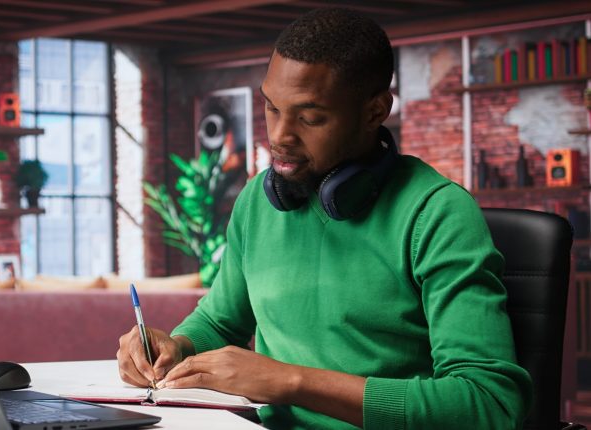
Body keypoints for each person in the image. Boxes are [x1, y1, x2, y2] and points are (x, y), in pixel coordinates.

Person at [117, 8, 532, 429]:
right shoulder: (257, 203)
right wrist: (176, 345)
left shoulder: (438, 213)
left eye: (310, 117)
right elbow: (219, 321)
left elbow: (488, 403)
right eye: (272, 108)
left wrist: (292, 382)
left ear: (375, 111)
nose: (279, 136)